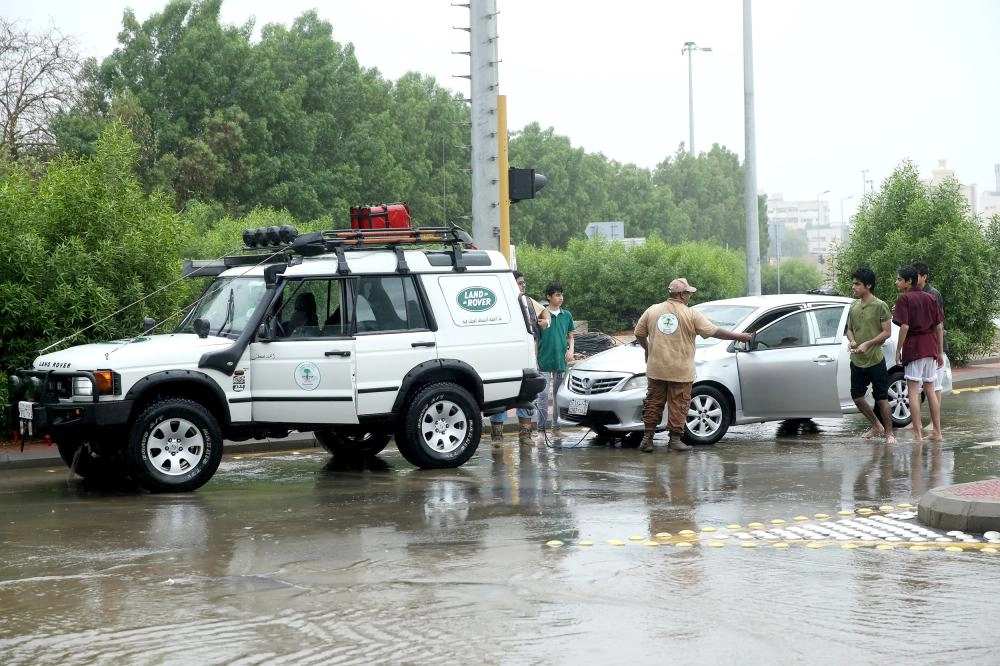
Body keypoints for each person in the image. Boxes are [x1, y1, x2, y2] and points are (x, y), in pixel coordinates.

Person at [634, 278, 750, 453]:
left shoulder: (653, 310)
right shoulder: (691, 314)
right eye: (688, 293)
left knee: (653, 402)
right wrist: (739, 337)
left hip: (656, 368)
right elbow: (715, 331)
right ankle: (674, 441)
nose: (689, 296)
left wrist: (648, 349)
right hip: (680, 370)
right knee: (679, 403)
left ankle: (647, 439)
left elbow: (639, 333)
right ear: (681, 295)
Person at [489, 271, 551, 448]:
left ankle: (525, 435)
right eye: (519, 283)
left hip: (527, 360)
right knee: (499, 397)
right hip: (503, 359)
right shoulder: (498, 301)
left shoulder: (529, 302)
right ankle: (497, 437)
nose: (523, 285)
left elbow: (545, 312)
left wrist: (546, 322)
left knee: (527, 396)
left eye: (524, 283)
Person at [893, 265, 944, 442]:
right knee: (930, 389)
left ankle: (917, 434)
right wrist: (940, 351)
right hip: (930, 346)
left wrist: (898, 349)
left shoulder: (904, 299)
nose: (897, 282)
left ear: (908, 281)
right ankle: (937, 431)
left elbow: (904, 326)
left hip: (914, 346)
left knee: (913, 391)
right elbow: (939, 326)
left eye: (899, 279)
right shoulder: (931, 298)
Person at [845, 267, 896, 444]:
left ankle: (889, 434)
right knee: (857, 397)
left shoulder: (880, 305)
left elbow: (887, 332)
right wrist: (852, 341)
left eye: (857, 284)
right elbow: (850, 330)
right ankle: (876, 425)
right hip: (857, 360)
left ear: (868, 285)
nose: (854, 287)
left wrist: (868, 343)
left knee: (881, 398)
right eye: (853, 283)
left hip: (875, 360)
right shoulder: (853, 305)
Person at [534, 282, 574, 441]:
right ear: (548, 296)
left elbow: (571, 336)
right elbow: (536, 339)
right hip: (543, 360)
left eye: (561, 294)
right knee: (542, 396)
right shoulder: (541, 316)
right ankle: (540, 429)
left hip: (560, 361)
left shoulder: (567, 315)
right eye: (557, 295)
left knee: (559, 396)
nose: (561, 298)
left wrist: (570, 350)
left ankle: (556, 429)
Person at [912, 261, 947, 429]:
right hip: (920, 348)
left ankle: (934, 423)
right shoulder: (912, 293)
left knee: (935, 386)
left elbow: (938, 325)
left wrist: (939, 351)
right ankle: (915, 423)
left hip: (933, 347)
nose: (912, 278)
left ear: (924, 276)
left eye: (916, 275)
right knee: (916, 388)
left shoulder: (933, 294)